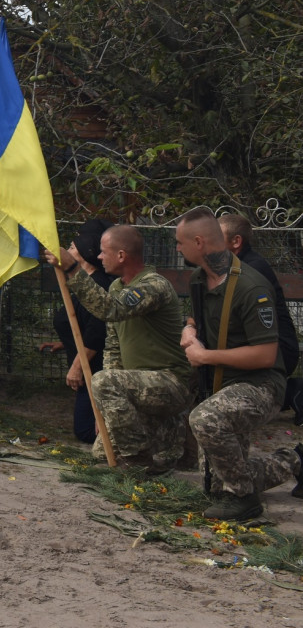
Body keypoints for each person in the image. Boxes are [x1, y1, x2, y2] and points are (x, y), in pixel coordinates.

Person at [176, 206, 303, 519]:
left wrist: (204, 356)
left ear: (199, 243)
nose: (177, 248)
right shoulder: (199, 279)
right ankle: (296, 460)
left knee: (204, 418)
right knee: (216, 487)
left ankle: (246, 500)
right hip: (223, 382)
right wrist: (190, 328)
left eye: (180, 242)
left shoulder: (251, 286)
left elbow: (265, 355)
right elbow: (200, 316)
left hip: (261, 385)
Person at [48, 224, 190, 472]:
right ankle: (153, 452)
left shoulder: (153, 286)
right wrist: (106, 406)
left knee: (104, 382)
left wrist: (72, 268)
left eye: (104, 252)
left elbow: (111, 309)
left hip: (171, 381)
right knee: (101, 455)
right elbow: (112, 347)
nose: (99, 257)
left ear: (122, 255)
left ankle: (137, 461)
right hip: (136, 384)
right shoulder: (116, 288)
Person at [218, 213, 302, 422]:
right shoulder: (232, 266)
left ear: (236, 242)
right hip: (260, 343)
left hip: (278, 349)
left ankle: (290, 392)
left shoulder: (252, 269)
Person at [40, 218, 114, 444]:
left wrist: (76, 368)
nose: (68, 249)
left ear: (85, 250)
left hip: (95, 369)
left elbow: (98, 331)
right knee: (84, 428)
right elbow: (80, 321)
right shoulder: (80, 282)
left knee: (85, 431)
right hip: (85, 364)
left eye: (73, 246)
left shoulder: (99, 284)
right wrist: (65, 343)